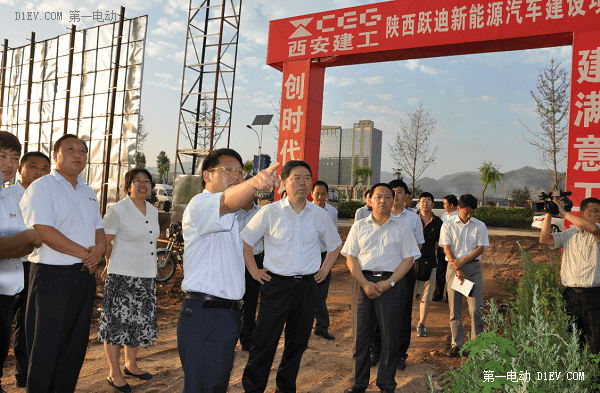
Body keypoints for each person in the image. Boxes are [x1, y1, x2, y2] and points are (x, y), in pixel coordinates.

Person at [177, 148, 279, 393]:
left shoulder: (234, 217)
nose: (236, 176)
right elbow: (225, 202)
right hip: (204, 313)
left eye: (240, 172)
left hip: (228, 314)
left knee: (216, 385)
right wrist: (254, 182)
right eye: (228, 170)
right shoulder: (200, 205)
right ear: (206, 175)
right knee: (198, 387)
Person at [241, 160, 342, 393]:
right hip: (276, 287)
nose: (303, 183)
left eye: (307, 178)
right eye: (296, 178)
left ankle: (285, 389)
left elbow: (335, 245)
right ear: (284, 183)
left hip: (307, 288)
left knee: (297, 345)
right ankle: (253, 389)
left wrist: (325, 269)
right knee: (264, 343)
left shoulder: (319, 215)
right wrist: (254, 271)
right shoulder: (270, 212)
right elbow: (246, 240)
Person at [20, 134, 106, 392]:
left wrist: (99, 250)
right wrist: (85, 253)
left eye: (82, 150)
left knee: (74, 347)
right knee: (46, 348)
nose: (78, 154)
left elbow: (99, 229)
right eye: (70, 149)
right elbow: (43, 230)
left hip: (83, 277)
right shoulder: (43, 186)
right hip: (52, 278)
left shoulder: (87, 190)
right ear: (55, 154)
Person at [342, 183, 420, 393]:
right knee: (361, 337)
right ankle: (358, 384)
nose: (384, 201)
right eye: (379, 197)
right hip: (362, 283)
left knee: (390, 337)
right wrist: (364, 283)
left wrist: (390, 282)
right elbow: (351, 258)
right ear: (370, 200)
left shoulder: (403, 227)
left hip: (392, 285)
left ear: (394, 200)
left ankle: (386, 384)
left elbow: (408, 259)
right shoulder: (359, 226)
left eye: (388, 197)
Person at [98, 168, 160, 393]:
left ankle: (131, 364)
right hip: (122, 276)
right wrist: (108, 263)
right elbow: (106, 241)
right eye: (137, 182)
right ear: (128, 187)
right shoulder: (117, 210)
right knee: (116, 325)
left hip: (146, 276)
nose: (142, 185)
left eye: (146, 181)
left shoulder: (153, 211)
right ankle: (114, 372)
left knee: (136, 323)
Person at [0, 132, 42, 393]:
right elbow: (27, 241)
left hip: (8, 287)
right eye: (2, 156)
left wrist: (22, 242)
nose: (8, 163)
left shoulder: (5, 196)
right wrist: (28, 237)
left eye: (14, 157)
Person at [7, 151, 51, 388]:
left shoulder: (48, 196)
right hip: (8, 265)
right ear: (20, 169)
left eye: (45, 168)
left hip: (34, 266)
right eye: (34, 167)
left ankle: (23, 374)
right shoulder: (8, 196)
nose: (40, 172)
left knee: (28, 323)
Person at [539, 197, 600, 355]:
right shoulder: (570, 233)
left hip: (594, 296)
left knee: (596, 344)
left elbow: (593, 229)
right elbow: (545, 240)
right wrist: (549, 214)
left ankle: (595, 379)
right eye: (594, 211)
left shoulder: (597, 231)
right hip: (570, 295)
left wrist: (564, 213)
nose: (598, 214)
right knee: (573, 342)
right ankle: (576, 378)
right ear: (582, 213)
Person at [439, 194, 489, 357]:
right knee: (455, 309)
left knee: (475, 309)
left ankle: (477, 345)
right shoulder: (447, 225)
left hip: (473, 269)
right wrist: (458, 268)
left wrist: (463, 262)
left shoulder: (479, 226)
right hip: (453, 269)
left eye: (472, 213)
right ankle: (457, 344)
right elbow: (446, 248)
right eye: (466, 212)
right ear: (458, 208)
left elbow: (480, 248)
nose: (469, 216)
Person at [386, 179, 423, 371]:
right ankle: (377, 351)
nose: (395, 195)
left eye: (399, 191)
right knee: (378, 311)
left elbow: (418, 246)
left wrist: (403, 262)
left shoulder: (413, 219)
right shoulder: (378, 215)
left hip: (406, 271)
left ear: (406, 196)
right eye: (392, 191)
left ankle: (400, 354)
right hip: (382, 271)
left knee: (403, 313)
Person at [311, 180, 339, 340]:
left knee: (321, 294)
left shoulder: (332, 212)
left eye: (323, 194)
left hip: (324, 256)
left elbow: (333, 236)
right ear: (311, 194)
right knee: (307, 293)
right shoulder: (306, 209)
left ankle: (321, 327)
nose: (320, 197)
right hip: (308, 256)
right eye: (317, 193)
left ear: (327, 195)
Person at [413, 192, 443, 337]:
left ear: (433, 204)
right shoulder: (412, 219)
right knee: (409, 295)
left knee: (425, 296)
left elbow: (437, 244)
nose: (425, 203)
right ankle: (407, 320)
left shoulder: (438, 222)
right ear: (418, 203)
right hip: (410, 262)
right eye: (423, 201)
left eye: (428, 201)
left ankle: (421, 323)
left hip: (429, 262)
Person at [237, 188, 263, 352]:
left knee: (251, 301)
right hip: (235, 261)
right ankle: (231, 337)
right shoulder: (231, 213)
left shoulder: (262, 213)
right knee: (234, 300)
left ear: (255, 193)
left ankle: (247, 339)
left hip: (255, 260)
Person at [432, 194, 458, 302]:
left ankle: (449, 295)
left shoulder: (458, 217)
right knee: (440, 271)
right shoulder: (444, 216)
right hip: (442, 247)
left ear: (451, 205)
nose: (443, 206)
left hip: (452, 248)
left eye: (444, 204)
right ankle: (438, 294)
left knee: (451, 273)